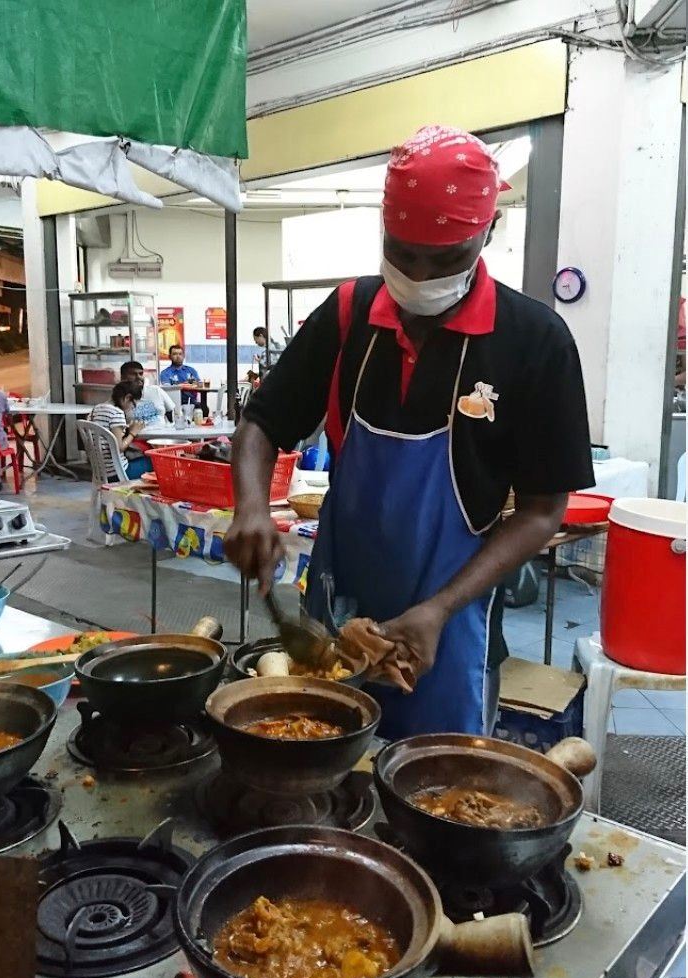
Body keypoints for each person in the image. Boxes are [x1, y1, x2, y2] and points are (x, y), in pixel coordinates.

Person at [224, 125, 595, 742]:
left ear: (487, 233)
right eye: (402, 253)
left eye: (446, 257)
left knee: (435, 793)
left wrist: (439, 609)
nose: (420, 275)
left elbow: (542, 510)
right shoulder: (347, 316)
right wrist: (252, 504)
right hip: (333, 620)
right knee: (313, 764)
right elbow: (262, 422)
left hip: (449, 627)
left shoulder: (534, 342)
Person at [89, 381, 148, 479]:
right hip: (117, 472)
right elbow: (119, 447)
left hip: (99, 471)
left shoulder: (96, 408)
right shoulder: (117, 413)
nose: (132, 408)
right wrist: (133, 433)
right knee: (153, 462)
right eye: (133, 404)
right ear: (127, 398)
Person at [120, 360, 174, 424]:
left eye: (141, 374)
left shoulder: (156, 390)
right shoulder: (120, 399)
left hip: (163, 432)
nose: (139, 377)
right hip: (137, 433)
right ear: (123, 378)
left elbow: (171, 412)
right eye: (133, 374)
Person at [160, 344, 209, 416]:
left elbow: (200, 384)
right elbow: (168, 388)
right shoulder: (165, 373)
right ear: (170, 356)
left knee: (204, 408)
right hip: (175, 403)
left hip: (192, 402)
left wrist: (180, 385)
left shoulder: (191, 370)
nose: (178, 356)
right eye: (175, 354)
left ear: (183, 356)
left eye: (180, 354)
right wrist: (185, 385)